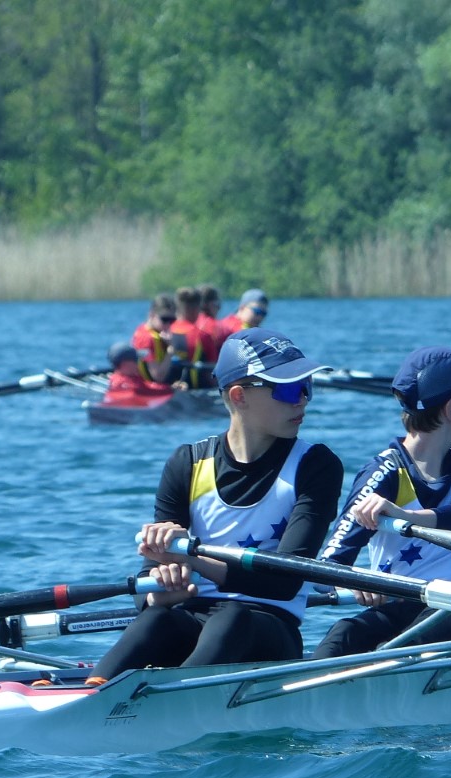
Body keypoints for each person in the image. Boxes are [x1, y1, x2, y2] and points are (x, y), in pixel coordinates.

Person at [88, 328, 345, 681]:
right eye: (288, 389)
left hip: (269, 627)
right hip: (192, 617)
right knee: (156, 620)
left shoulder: (315, 466)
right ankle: (92, 691)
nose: (302, 400)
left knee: (233, 617)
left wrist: (191, 560)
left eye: (306, 387)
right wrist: (159, 589)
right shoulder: (187, 463)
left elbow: (286, 580)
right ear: (239, 396)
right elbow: (149, 577)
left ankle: (171, 699)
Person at [311, 346, 451, 659]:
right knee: (343, 635)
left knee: (407, 644)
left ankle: (381, 669)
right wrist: (355, 581)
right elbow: (332, 561)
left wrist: (404, 516)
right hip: (396, 606)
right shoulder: (383, 472)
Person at [167, 288, 214, 389]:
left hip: (168, 388)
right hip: (195, 391)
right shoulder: (202, 336)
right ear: (196, 309)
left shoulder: (165, 331)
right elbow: (213, 372)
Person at [100, 342, 174, 405]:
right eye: (136, 360)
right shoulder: (127, 385)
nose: (138, 363)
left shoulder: (124, 377)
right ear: (125, 364)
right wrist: (171, 389)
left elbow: (146, 386)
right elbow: (146, 390)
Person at [131, 292, 179, 385]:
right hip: (149, 388)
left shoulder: (144, 329)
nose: (168, 324)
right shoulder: (147, 339)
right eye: (165, 319)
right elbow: (158, 376)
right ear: (151, 315)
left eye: (172, 320)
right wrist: (171, 350)